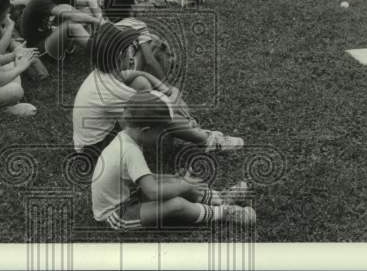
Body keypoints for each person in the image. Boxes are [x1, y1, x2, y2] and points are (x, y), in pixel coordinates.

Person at [90, 91, 255, 231]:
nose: (163, 136)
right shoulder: (130, 151)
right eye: (161, 131)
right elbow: (152, 192)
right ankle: (224, 213)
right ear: (146, 130)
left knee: (175, 181)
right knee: (176, 204)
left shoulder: (127, 139)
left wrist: (178, 182)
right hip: (117, 213)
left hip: (130, 195)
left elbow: (145, 179)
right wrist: (183, 186)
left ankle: (219, 198)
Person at [73, 24, 243, 155]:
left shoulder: (104, 74)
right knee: (160, 115)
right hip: (96, 150)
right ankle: (207, 141)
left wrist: (165, 89)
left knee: (140, 82)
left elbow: (133, 74)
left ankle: (191, 130)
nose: (132, 52)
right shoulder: (111, 89)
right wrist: (174, 94)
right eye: (128, 49)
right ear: (119, 57)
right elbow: (163, 108)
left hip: (93, 140)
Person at [20, 0, 102, 60]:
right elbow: (72, 16)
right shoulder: (40, 1)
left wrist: (101, 19)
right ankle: (101, 51)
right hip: (39, 47)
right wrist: (97, 21)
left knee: (87, 10)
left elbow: (89, 1)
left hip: (50, 33)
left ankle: (93, 39)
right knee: (72, 23)